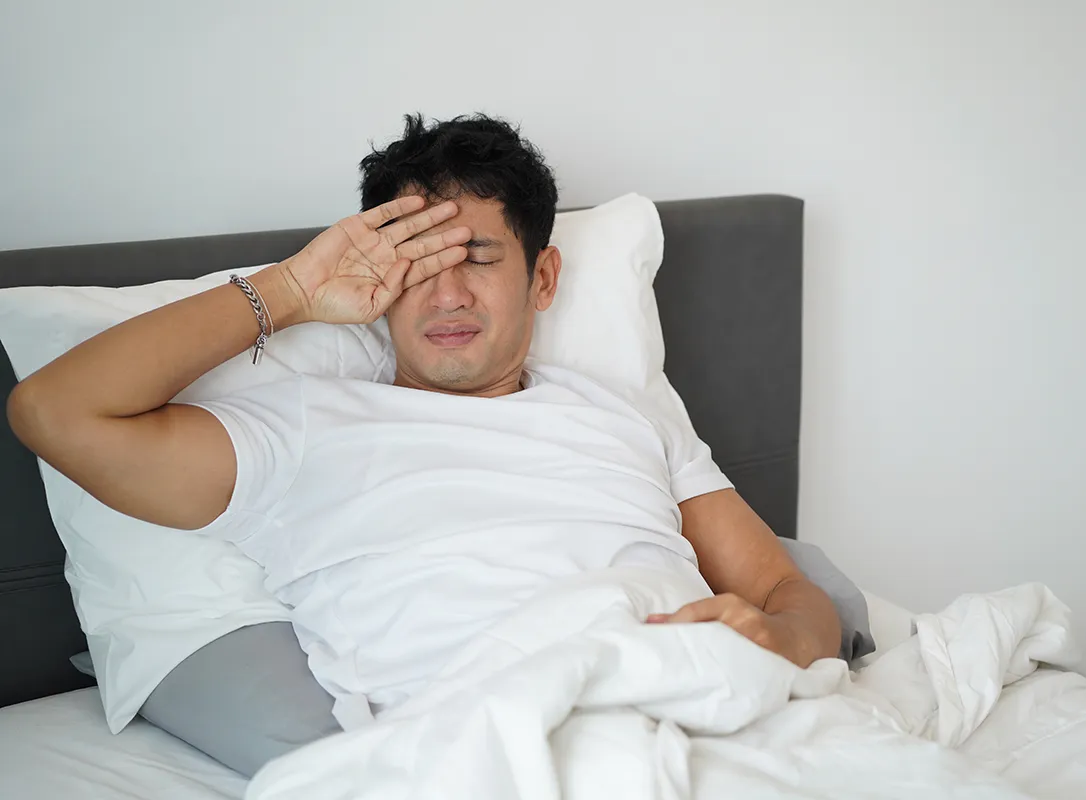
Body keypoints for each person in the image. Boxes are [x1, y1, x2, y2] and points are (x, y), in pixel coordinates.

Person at [7, 114, 839, 725]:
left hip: (710, 704)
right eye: (415, 265)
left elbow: (781, 588)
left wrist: (780, 642)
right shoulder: (304, 428)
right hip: (497, 737)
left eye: (478, 259)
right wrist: (293, 291)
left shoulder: (625, 419)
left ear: (542, 278)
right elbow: (53, 410)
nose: (446, 294)